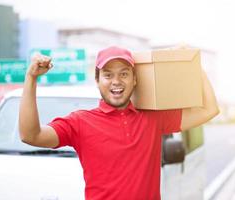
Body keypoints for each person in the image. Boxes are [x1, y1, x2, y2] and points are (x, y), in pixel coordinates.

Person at [19, 46, 219, 200]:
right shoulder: (80, 122)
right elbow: (31, 135)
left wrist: (193, 64)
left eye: (124, 74)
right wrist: (31, 78)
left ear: (134, 80)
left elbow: (209, 109)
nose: (116, 81)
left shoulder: (153, 118)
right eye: (108, 75)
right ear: (97, 81)